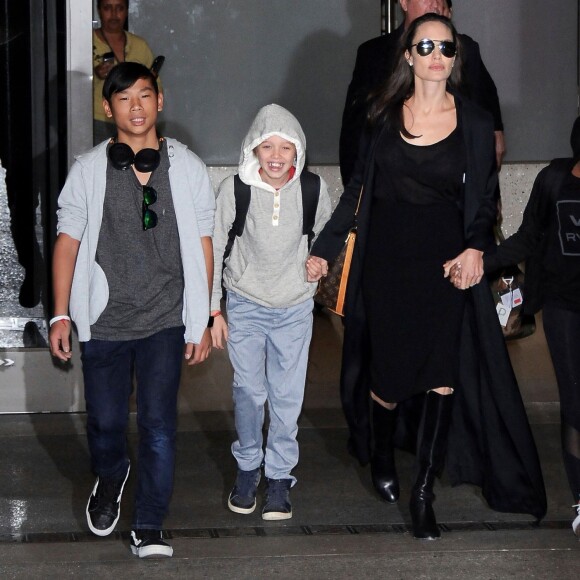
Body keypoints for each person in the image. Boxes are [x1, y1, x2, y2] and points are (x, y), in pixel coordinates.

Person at [308, 13, 546, 540]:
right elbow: (358, 195)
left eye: (447, 47)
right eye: (427, 46)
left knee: (442, 376)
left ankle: (423, 494)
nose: (437, 55)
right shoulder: (381, 115)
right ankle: (384, 460)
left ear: (455, 58)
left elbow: (483, 201)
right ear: (409, 56)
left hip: (446, 267)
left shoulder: (477, 121)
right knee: (388, 383)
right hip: (388, 265)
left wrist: (473, 247)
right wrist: (324, 250)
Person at [49, 62, 215, 558]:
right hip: (104, 319)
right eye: (124, 98)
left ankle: (149, 523)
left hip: (165, 318)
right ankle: (111, 474)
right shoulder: (88, 169)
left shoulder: (187, 167)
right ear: (108, 109)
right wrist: (60, 314)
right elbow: (67, 243)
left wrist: (203, 315)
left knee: (159, 424)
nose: (136, 106)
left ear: (160, 100)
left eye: (145, 95)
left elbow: (205, 242)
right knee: (104, 422)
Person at [210, 104, 331, 520]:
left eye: (285, 147)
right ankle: (248, 467)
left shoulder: (314, 189)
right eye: (267, 146)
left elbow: (326, 241)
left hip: (295, 308)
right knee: (248, 391)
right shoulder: (234, 189)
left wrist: (320, 262)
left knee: (285, 396)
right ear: (253, 150)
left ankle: (279, 476)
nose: (276, 155)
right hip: (245, 303)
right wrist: (214, 311)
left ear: (298, 153)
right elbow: (213, 252)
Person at [472, 116, 580, 539]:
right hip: (563, 307)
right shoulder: (554, 180)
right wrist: (480, 259)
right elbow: (529, 236)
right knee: (574, 401)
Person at [339, 0, 505, 187]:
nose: (435, 4)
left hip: (451, 186)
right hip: (390, 186)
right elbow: (354, 133)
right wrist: (355, 198)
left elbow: (486, 113)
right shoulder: (373, 54)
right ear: (403, 2)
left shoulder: (463, 50)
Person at [93, 0, 159, 144]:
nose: (114, 14)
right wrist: (94, 74)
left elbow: (156, 86)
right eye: (107, 8)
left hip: (136, 118)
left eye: (120, 8)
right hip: (97, 121)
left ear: (127, 11)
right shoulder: (87, 42)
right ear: (99, 10)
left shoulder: (139, 45)